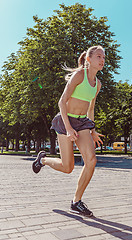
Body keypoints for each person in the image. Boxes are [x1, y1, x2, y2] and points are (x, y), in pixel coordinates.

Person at [32, 45, 105, 217]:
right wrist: (69, 128)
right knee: (68, 167)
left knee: (91, 160)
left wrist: (92, 129)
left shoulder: (98, 84)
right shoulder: (79, 76)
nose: (102, 60)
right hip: (66, 120)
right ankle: (42, 160)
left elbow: (91, 109)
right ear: (89, 59)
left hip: (82, 123)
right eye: (98, 57)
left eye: (104, 57)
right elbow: (61, 102)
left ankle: (76, 202)